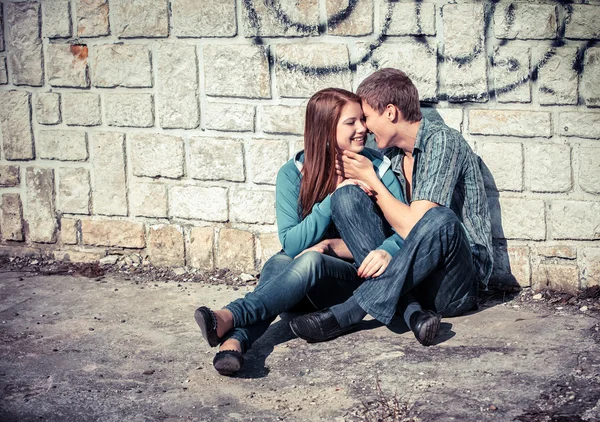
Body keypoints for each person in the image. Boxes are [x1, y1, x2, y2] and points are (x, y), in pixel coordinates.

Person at [194, 88, 406, 376]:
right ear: (325, 128)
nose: (362, 129)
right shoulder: (293, 173)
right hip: (300, 285)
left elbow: (404, 228)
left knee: (311, 259)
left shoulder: (377, 166)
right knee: (279, 261)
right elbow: (291, 243)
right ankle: (234, 341)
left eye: (362, 120)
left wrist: (354, 246)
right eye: (351, 122)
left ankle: (232, 318)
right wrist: (332, 200)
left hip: (353, 283)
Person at [289, 68, 493, 346]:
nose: (364, 128)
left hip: (454, 283)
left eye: (367, 118)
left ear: (390, 112)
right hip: (411, 279)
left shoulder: (443, 142)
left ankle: (350, 312)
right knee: (346, 197)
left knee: (440, 218)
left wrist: (371, 179)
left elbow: (415, 227)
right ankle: (413, 314)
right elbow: (392, 230)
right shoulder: (392, 156)